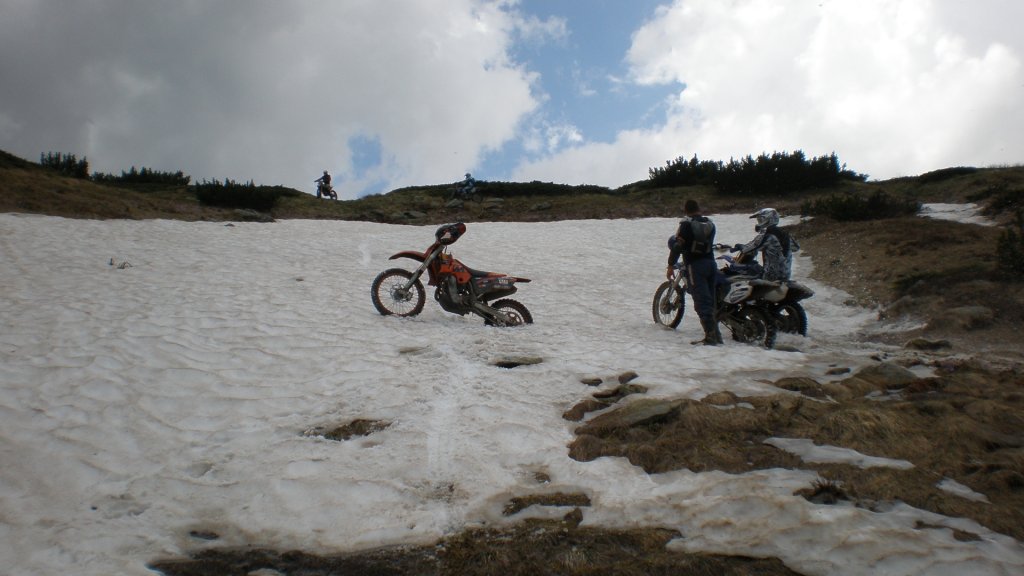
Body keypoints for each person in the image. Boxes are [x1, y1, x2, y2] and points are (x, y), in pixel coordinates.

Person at [667, 199, 722, 345]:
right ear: (698, 208)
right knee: (711, 300)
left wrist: (671, 265)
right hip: (711, 264)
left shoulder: (686, 224)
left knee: (701, 301)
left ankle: (710, 338)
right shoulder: (710, 223)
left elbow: (678, 247)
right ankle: (717, 336)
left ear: (686, 209)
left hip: (695, 266)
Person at [735, 208, 800, 282]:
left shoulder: (766, 234)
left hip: (770, 276)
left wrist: (739, 246)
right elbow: (796, 248)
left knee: (749, 272)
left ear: (767, 219)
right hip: (785, 275)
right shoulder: (786, 234)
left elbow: (748, 249)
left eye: (760, 220)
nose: (759, 222)